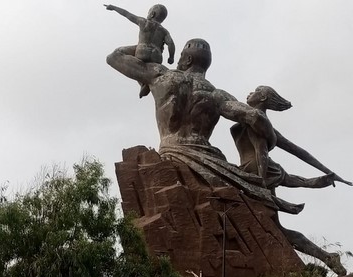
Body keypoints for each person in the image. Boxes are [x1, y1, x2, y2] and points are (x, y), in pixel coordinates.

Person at [107, 38, 286, 212]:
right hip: (210, 165)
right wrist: (271, 140)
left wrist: (145, 47)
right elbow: (255, 116)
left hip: (171, 153)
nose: (177, 63)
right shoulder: (217, 95)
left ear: (188, 59)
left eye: (180, 58)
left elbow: (114, 57)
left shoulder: (162, 76)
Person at [231, 85, 351, 276]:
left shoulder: (256, 120)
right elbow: (299, 151)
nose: (249, 93)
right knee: (277, 229)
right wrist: (329, 172)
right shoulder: (256, 119)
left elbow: (261, 151)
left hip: (255, 175)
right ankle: (327, 256)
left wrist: (260, 185)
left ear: (262, 98)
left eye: (254, 91)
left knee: (273, 228)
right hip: (253, 173)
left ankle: (325, 257)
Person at [104, 4, 175, 97]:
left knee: (134, 62)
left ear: (152, 14)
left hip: (143, 51)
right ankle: (144, 84)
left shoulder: (144, 22)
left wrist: (114, 8)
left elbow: (127, 14)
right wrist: (171, 57)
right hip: (157, 56)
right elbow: (171, 44)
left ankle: (143, 83)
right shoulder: (164, 31)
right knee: (140, 64)